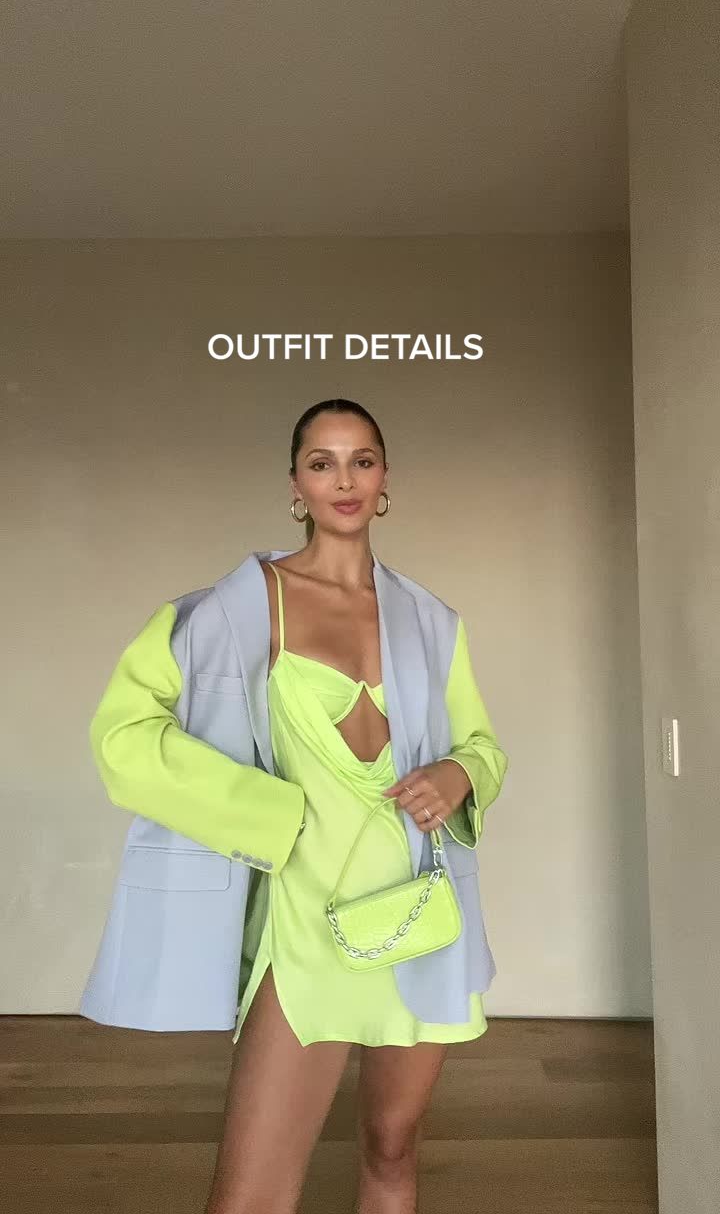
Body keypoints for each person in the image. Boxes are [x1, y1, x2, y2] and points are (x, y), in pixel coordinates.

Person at [84, 396, 509, 1214]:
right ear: (296, 485)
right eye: (323, 463)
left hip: (420, 914)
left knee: (392, 1148)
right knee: (250, 1197)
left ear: (384, 479)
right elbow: (123, 736)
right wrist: (264, 813)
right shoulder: (238, 609)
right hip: (304, 917)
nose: (344, 480)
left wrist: (459, 773)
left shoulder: (432, 623)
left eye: (361, 461)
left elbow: (483, 746)